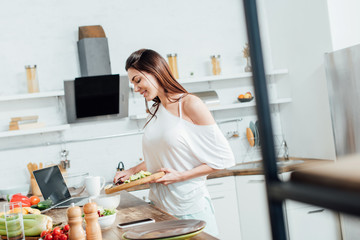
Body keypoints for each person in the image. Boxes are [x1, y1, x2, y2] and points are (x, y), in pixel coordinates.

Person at [114, 49, 235, 236]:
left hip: (189, 208)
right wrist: (132, 171)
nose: (135, 89)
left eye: (138, 81)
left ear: (154, 71)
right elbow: (163, 156)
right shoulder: (156, 110)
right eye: (132, 84)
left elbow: (224, 159)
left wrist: (181, 176)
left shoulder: (189, 104)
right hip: (160, 209)